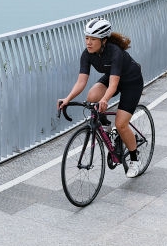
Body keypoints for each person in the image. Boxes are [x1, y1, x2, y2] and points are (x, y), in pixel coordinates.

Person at [58, 17, 146, 178]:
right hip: (113, 78)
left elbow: (113, 85)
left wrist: (104, 100)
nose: (88, 42)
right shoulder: (87, 54)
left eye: (93, 39)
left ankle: (135, 159)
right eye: (87, 38)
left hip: (131, 82)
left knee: (121, 124)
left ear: (104, 40)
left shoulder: (115, 53)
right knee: (92, 96)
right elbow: (81, 81)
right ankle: (106, 125)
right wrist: (67, 99)